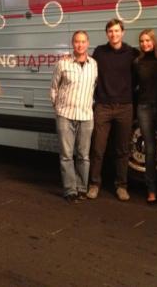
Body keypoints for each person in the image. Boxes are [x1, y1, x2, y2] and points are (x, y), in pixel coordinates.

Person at [87, 18, 139, 201]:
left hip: (125, 107)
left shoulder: (132, 53)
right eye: (110, 31)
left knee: (122, 150)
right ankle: (94, 184)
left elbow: (142, 71)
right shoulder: (99, 52)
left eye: (117, 31)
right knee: (97, 149)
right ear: (107, 34)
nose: (114, 34)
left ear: (122, 32)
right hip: (103, 106)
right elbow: (88, 69)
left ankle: (121, 186)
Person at [50, 30, 98, 204]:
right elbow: (54, 88)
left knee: (84, 155)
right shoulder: (62, 64)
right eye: (77, 41)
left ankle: (82, 188)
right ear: (72, 44)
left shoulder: (94, 64)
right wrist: (58, 108)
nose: (80, 44)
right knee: (66, 155)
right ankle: (70, 190)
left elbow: (95, 87)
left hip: (86, 116)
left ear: (88, 43)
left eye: (83, 41)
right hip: (65, 115)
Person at [133, 29, 157, 204]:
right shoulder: (137, 62)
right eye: (142, 41)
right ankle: (151, 190)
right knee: (150, 150)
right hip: (144, 108)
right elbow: (133, 85)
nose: (145, 44)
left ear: (153, 41)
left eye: (147, 40)